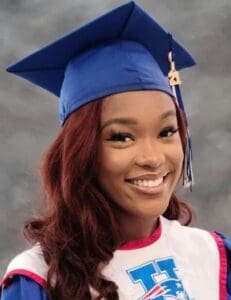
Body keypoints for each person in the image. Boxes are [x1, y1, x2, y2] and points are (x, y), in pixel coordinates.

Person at [0, 1, 230, 299]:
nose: (152, 157)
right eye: (122, 137)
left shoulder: (213, 257)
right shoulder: (39, 279)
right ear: (82, 153)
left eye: (167, 132)